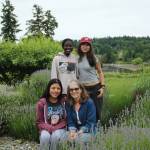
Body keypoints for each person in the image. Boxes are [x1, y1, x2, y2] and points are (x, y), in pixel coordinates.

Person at [77, 37, 105, 122]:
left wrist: (102, 87)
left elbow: (100, 72)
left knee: (97, 112)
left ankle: (97, 132)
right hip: (83, 89)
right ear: (80, 46)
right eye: (83, 45)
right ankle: (85, 131)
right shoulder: (76, 58)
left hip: (95, 88)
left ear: (90, 47)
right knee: (84, 111)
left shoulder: (94, 58)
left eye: (87, 45)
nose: (85, 47)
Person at [36, 79, 67, 150]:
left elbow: (65, 119)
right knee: (44, 137)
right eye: (53, 88)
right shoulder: (41, 103)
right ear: (48, 89)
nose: (56, 90)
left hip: (61, 128)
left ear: (61, 90)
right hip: (46, 128)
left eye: (58, 88)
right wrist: (50, 128)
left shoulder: (64, 101)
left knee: (55, 136)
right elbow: (39, 122)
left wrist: (56, 128)